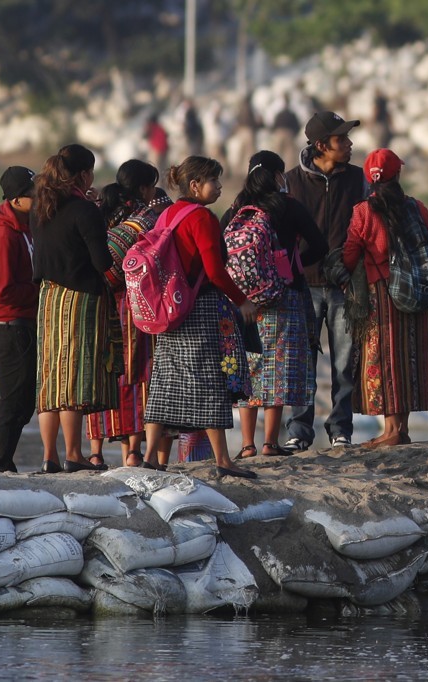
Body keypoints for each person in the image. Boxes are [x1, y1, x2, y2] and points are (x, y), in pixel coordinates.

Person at [141, 156, 258, 479]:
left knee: (165, 381)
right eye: (214, 181)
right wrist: (242, 300)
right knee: (209, 380)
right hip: (200, 307)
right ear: (195, 185)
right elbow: (215, 272)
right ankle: (223, 459)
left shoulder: (167, 214)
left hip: (169, 310)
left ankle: (151, 456)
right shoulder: (202, 217)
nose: (220, 187)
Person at [221, 150, 327, 457]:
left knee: (247, 367)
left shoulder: (237, 208)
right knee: (277, 369)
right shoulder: (288, 206)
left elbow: (219, 249)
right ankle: (269, 442)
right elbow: (319, 245)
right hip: (284, 296)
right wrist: (292, 266)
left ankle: (246, 445)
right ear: (277, 175)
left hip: (243, 301)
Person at [281, 112, 367, 452]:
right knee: (302, 362)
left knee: (345, 363)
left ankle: (340, 429)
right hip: (302, 286)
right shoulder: (290, 182)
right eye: (341, 139)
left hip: (346, 286)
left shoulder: (359, 180)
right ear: (321, 146)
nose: (349, 144)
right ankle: (299, 430)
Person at [31, 144, 117, 473]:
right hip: (81, 299)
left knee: (51, 377)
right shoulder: (84, 212)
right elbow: (101, 261)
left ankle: (49, 456)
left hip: (49, 298)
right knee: (74, 377)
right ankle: (74, 454)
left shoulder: (41, 206)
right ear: (84, 175)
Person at [343, 148, 428, 446]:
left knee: (384, 358)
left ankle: (392, 432)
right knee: (411, 357)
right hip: (414, 293)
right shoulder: (417, 208)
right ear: (398, 175)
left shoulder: (363, 211)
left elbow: (350, 254)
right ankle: (402, 429)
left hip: (380, 293)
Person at [85, 160, 172, 468]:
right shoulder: (149, 216)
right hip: (140, 305)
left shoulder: (104, 213)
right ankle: (137, 452)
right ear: (145, 188)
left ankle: (106, 453)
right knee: (142, 372)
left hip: (110, 304)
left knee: (114, 372)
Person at [0, 166, 40, 473]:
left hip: (24, 323)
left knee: (24, 402)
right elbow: (1, 291)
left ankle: (5, 461)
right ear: (17, 200)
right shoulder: (3, 235)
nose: (39, 199)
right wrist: (41, 291)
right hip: (10, 326)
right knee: (13, 401)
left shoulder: (26, 229)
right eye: (34, 195)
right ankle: (2, 464)